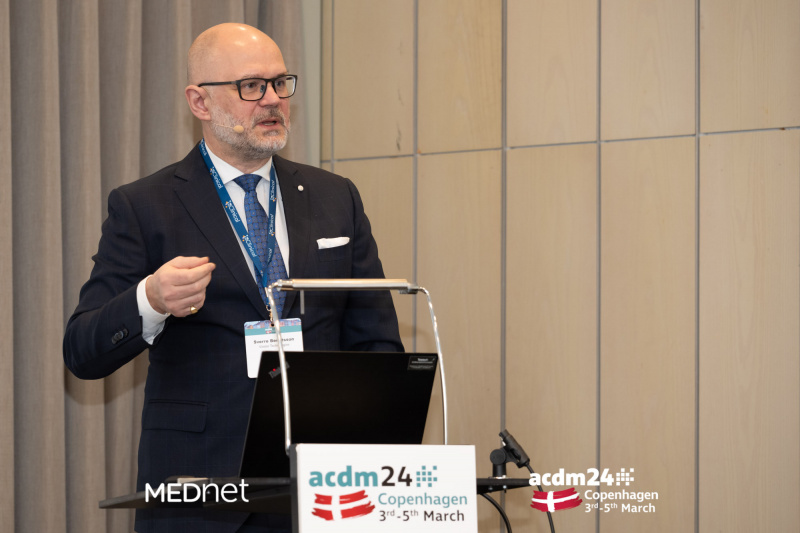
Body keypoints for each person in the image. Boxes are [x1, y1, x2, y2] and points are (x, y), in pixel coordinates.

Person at [63, 23, 403, 533]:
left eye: (280, 83)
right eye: (251, 86)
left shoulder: (337, 197)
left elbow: (377, 344)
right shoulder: (145, 205)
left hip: (324, 489)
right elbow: (82, 351)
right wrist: (149, 300)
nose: (272, 99)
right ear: (199, 102)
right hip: (200, 489)